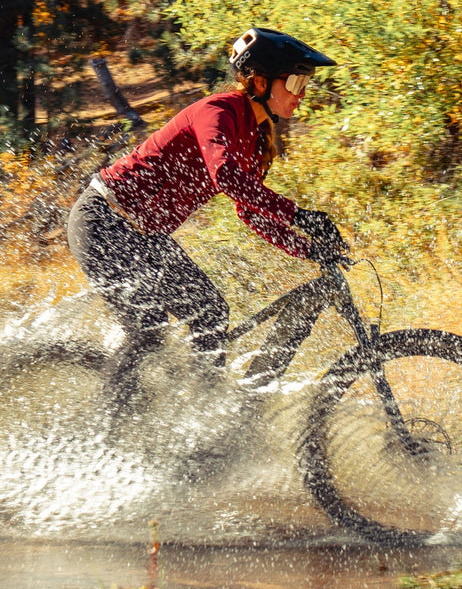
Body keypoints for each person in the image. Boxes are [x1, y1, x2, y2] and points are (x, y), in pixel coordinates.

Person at [66, 27, 347, 407]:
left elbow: (251, 213)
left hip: (145, 237)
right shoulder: (217, 113)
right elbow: (226, 177)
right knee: (149, 330)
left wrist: (309, 249)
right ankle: (104, 435)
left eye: (306, 83)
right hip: (102, 220)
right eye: (295, 81)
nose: (301, 93)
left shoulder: (257, 136)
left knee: (211, 313)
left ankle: (201, 419)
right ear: (260, 81)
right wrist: (300, 215)